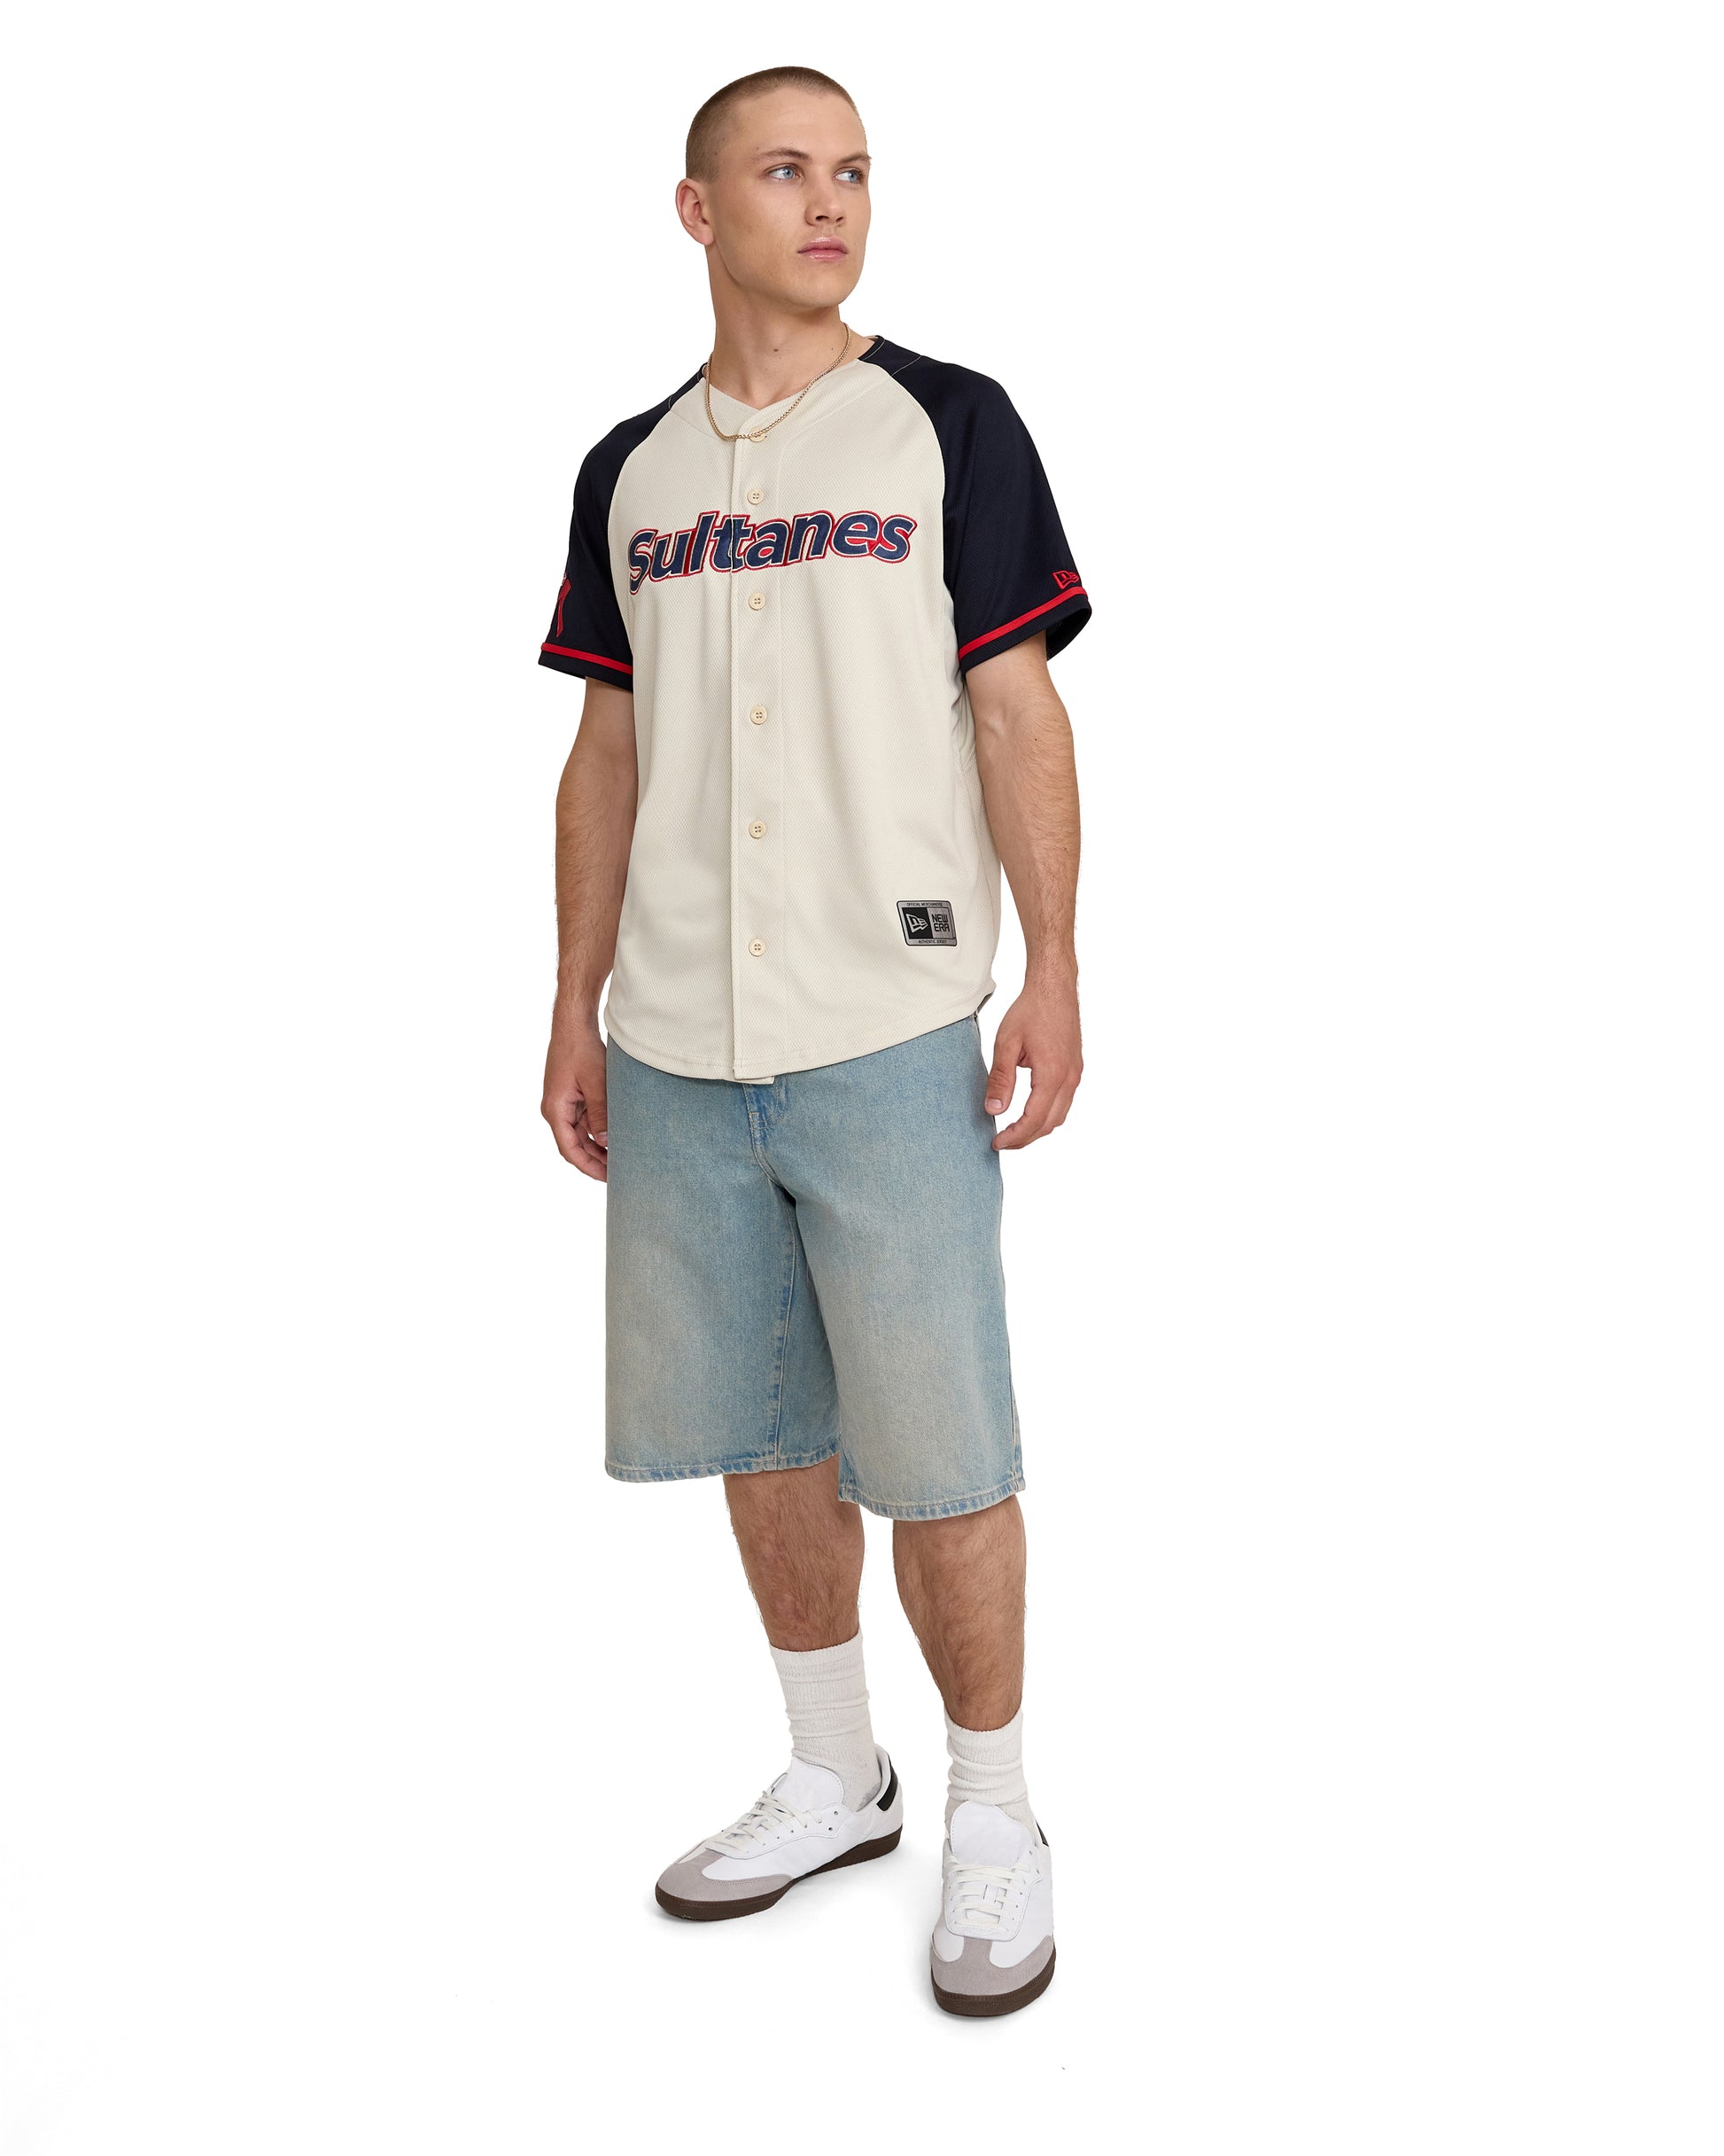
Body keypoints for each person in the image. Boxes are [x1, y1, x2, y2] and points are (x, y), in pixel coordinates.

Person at [537, 65, 1088, 2017]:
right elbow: (604, 751)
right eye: (784, 171)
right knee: (759, 1427)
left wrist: (1053, 967)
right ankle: (834, 1770)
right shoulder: (630, 470)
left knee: (940, 1447)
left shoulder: (950, 423)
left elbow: (1014, 708)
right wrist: (572, 998)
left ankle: (995, 1808)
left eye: (851, 170)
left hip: (885, 1014)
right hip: (679, 1032)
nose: (830, 201)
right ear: (699, 210)